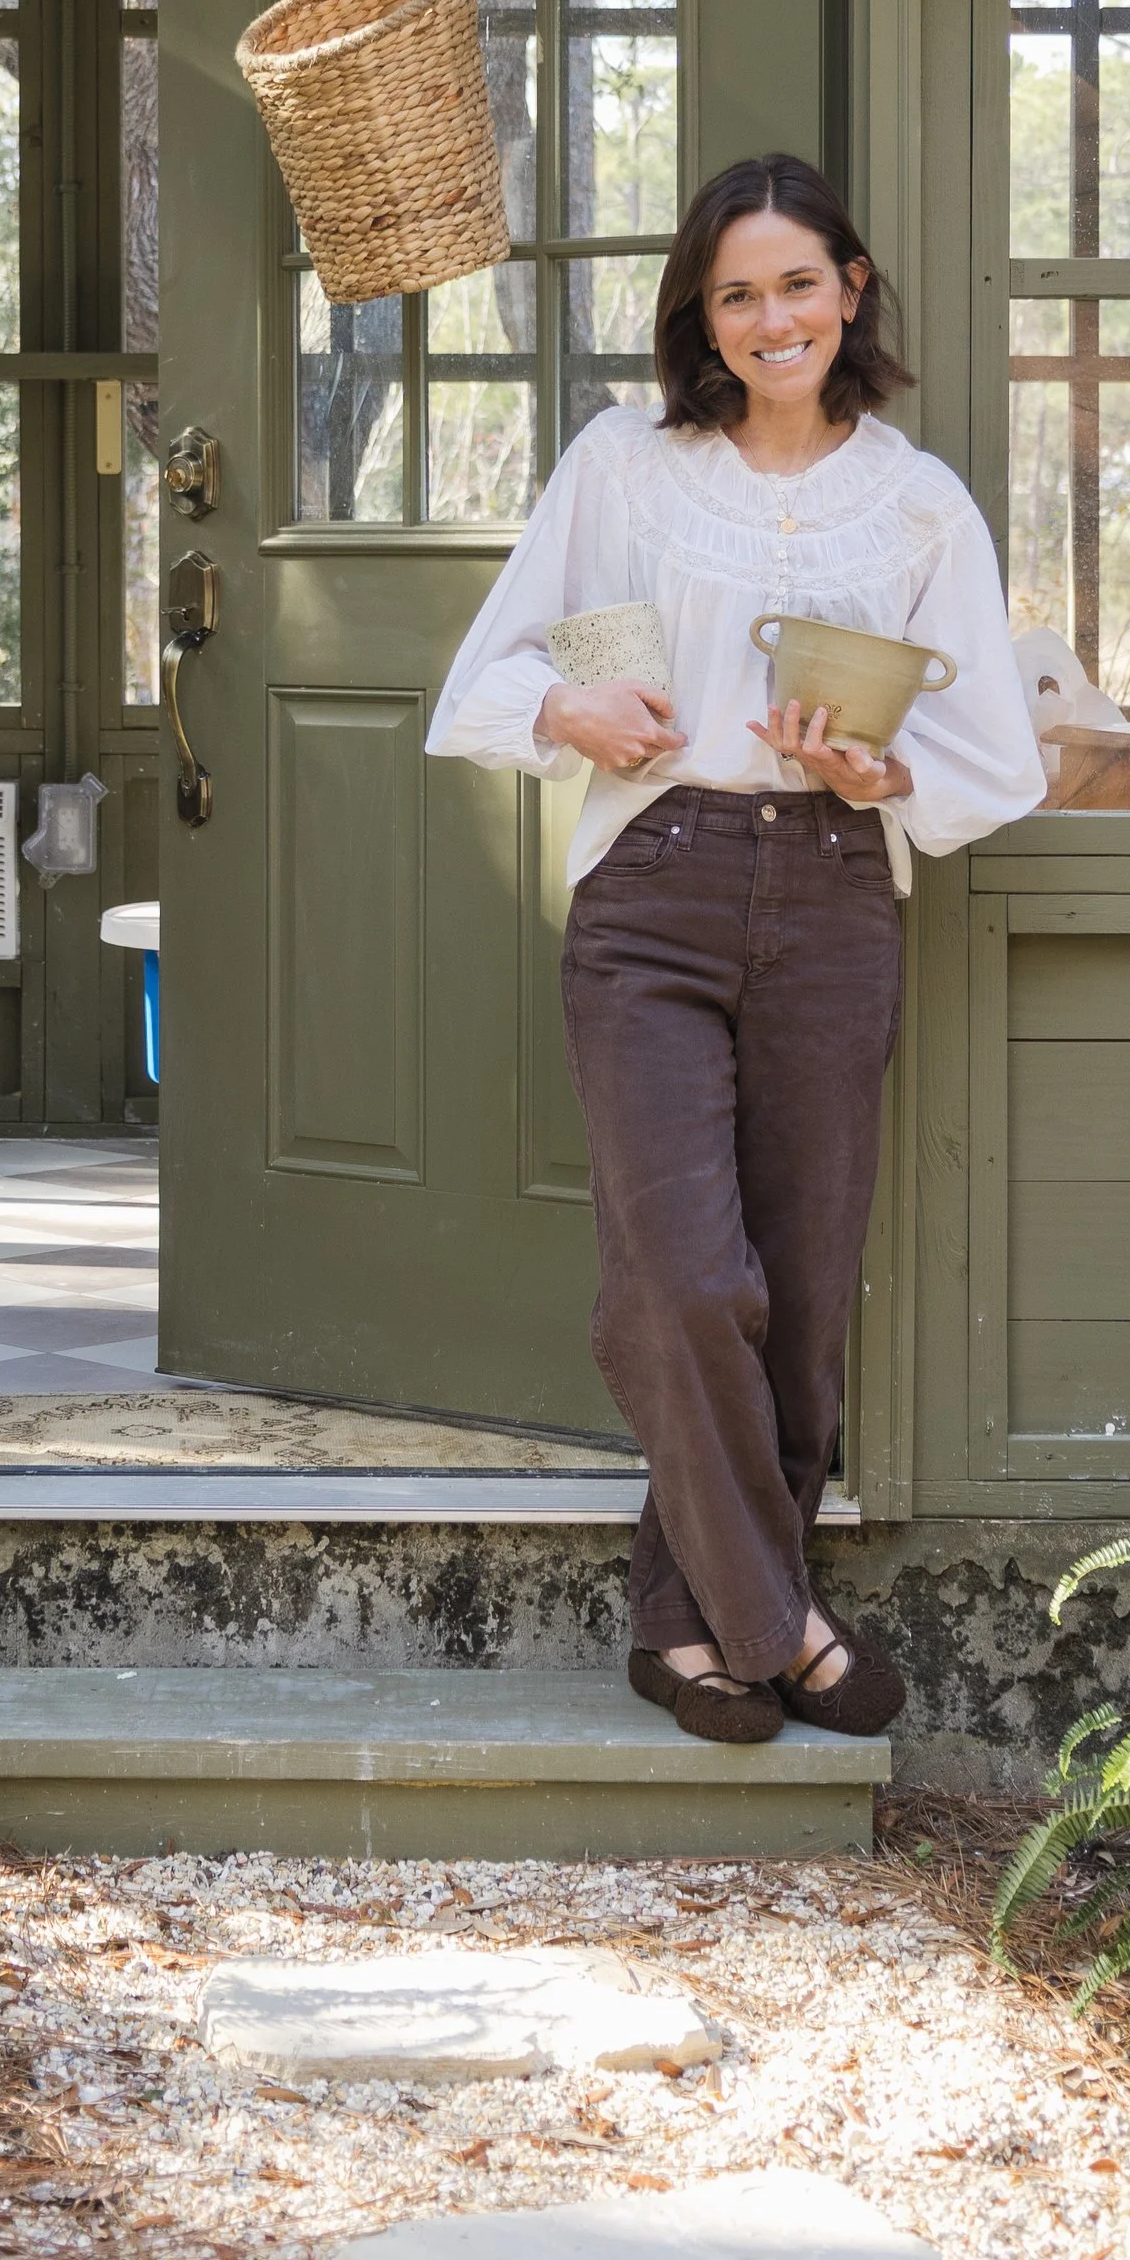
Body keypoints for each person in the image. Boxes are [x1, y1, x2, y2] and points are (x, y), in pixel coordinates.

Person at [426, 155, 1044, 1743]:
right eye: (737, 292)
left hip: (836, 889)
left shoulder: (916, 502)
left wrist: (877, 768)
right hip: (658, 880)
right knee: (686, 1280)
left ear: (852, 291)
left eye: (798, 283)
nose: (772, 317)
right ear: (704, 315)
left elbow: (995, 756)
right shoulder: (625, 467)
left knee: (805, 1294)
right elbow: (482, 681)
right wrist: (570, 705)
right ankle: (790, 1626)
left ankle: (681, 1629)